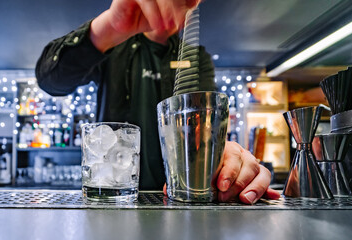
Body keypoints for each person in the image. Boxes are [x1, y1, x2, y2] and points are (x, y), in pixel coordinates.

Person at [36, 0, 280, 204]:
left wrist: (224, 155)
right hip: (113, 197)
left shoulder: (195, 57)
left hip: (176, 199)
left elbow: (207, 124)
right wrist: (109, 27)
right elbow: (50, 80)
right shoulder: (114, 48)